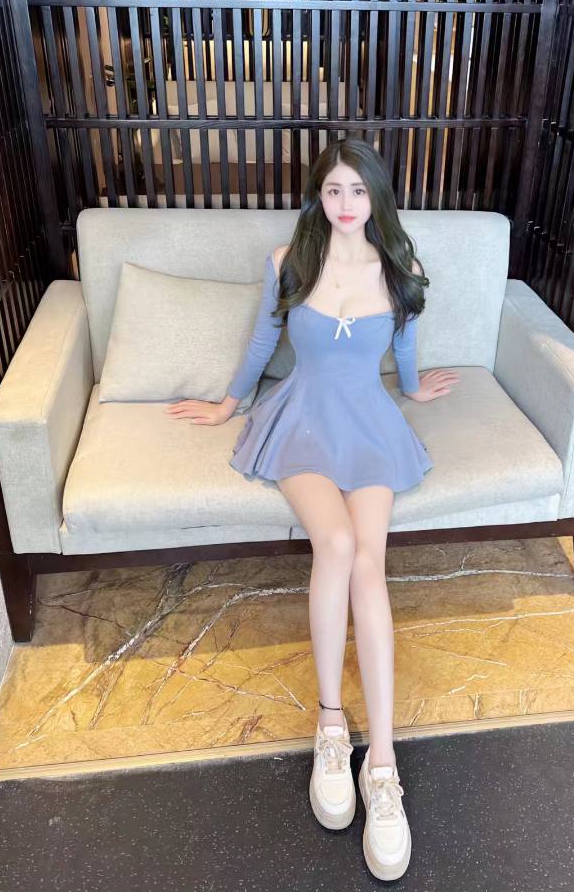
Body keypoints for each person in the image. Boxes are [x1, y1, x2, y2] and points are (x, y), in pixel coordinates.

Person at [165, 137, 459, 881]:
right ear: (318, 196)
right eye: (333, 190)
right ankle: (331, 725)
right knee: (335, 544)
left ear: (376, 196)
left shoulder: (400, 266)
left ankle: (382, 764)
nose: (346, 204)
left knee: (370, 563)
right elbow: (263, 338)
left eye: (358, 191)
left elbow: (406, 345)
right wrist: (227, 403)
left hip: (369, 424)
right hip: (299, 418)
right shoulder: (288, 260)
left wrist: (415, 388)